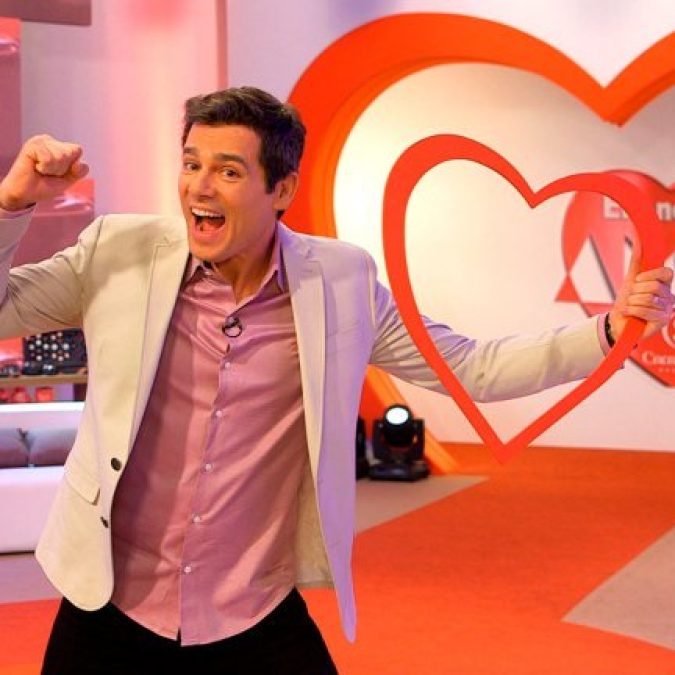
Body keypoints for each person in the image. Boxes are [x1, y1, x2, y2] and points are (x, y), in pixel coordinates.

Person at [0, 87, 672, 675]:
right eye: (191, 163)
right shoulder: (118, 251)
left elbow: (473, 367)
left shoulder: (341, 284)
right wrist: (10, 203)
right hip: (112, 600)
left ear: (283, 190)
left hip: (248, 608)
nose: (199, 187)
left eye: (228, 170)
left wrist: (608, 331)